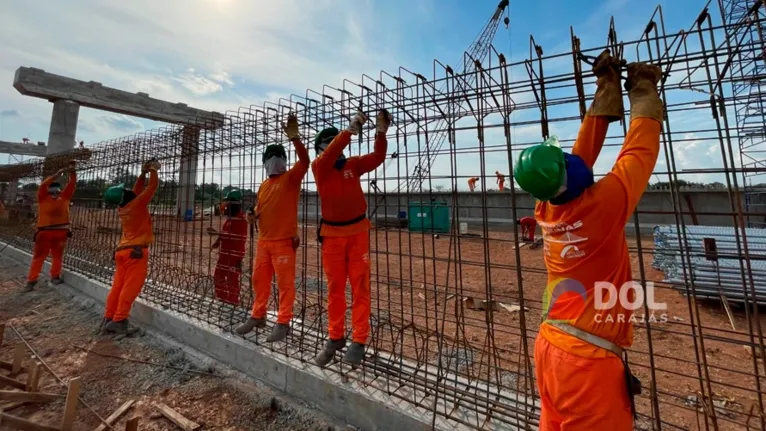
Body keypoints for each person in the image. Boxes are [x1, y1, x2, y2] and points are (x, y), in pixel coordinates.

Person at [513, 51, 663, 430]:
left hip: (551, 347)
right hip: (588, 364)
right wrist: (642, 89)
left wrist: (606, 88)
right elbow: (639, 150)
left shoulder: (547, 207)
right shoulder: (605, 204)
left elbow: (578, 158)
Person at [311, 108, 391, 367]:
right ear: (322, 149)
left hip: (357, 233)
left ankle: (358, 340)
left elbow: (378, 156)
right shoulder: (319, 167)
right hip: (332, 236)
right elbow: (331, 154)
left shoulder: (352, 165)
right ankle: (335, 337)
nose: (334, 148)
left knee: (360, 287)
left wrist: (380, 132)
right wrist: (348, 130)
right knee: (335, 289)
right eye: (329, 143)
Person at [235, 114, 309, 343]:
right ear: (265, 162)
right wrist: (252, 215)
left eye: (279, 156)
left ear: (285, 161)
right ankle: (258, 316)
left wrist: (295, 139)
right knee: (260, 280)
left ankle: (283, 322)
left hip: (284, 242)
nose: (275, 160)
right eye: (271, 157)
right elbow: (259, 209)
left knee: (285, 285)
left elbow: (305, 161)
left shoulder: (291, 178)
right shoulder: (264, 185)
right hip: (264, 243)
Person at [99, 159, 161, 335]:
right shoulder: (137, 205)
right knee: (130, 287)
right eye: (125, 190)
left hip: (122, 252)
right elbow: (151, 188)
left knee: (117, 286)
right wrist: (153, 170)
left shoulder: (124, 207)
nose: (129, 190)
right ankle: (119, 320)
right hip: (136, 253)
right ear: (126, 196)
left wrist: (142, 173)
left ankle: (109, 318)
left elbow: (136, 191)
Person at [25, 162, 77, 291]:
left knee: (40, 257)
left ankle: (32, 281)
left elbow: (45, 185)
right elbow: (71, 184)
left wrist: (65, 173)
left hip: (47, 232)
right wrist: (70, 172)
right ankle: (53, 277)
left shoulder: (44, 197)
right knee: (56, 256)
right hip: (58, 232)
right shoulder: (63, 197)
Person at [210, 189, 248, 305]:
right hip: (225, 253)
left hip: (235, 254)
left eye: (228, 202)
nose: (226, 205)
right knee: (219, 276)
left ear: (235, 203)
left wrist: (219, 234)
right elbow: (225, 231)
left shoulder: (241, 219)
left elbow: (237, 237)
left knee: (232, 279)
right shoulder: (230, 218)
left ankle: (232, 301)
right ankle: (222, 298)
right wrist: (218, 240)